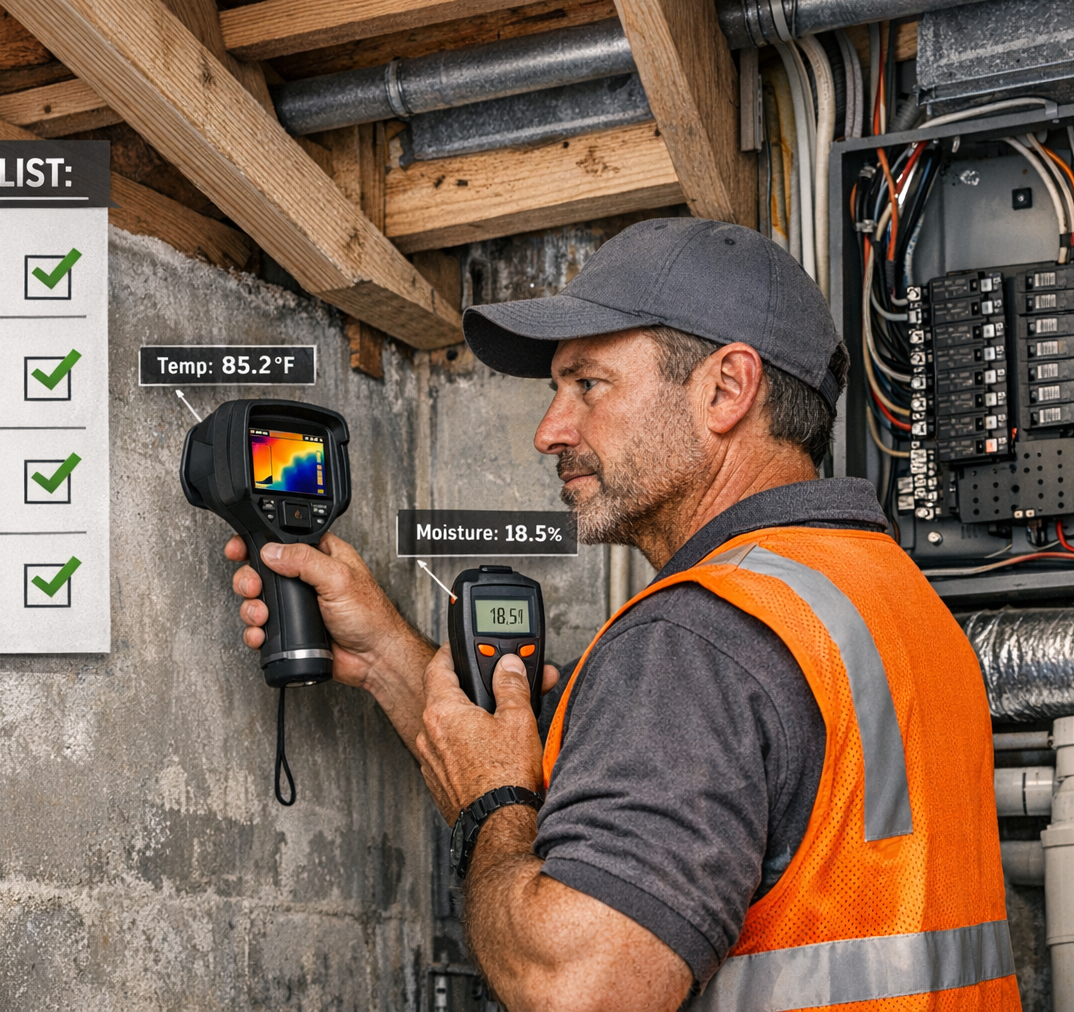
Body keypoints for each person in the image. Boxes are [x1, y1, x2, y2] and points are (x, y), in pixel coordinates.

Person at [224, 218, 1019, 1011]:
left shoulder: (697, 638)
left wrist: (492, 806)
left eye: (589, 385)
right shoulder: (893, 600)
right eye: (554, 392)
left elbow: (576, 989)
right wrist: (389, 659)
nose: (549, 432)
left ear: (727, 389)